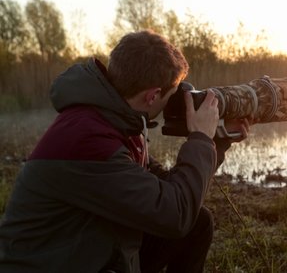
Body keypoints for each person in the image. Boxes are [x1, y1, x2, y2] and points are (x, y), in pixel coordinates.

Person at [0, 30, 250, 273]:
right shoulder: (88, 140)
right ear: (152, 96)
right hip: (48, 264)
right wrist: (199, 139)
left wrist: (217, 139)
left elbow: (166, 189)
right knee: (186, 220)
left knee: (197, 223)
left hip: (86, 250)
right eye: (173, 94)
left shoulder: (113, 119)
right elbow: (174, 214)